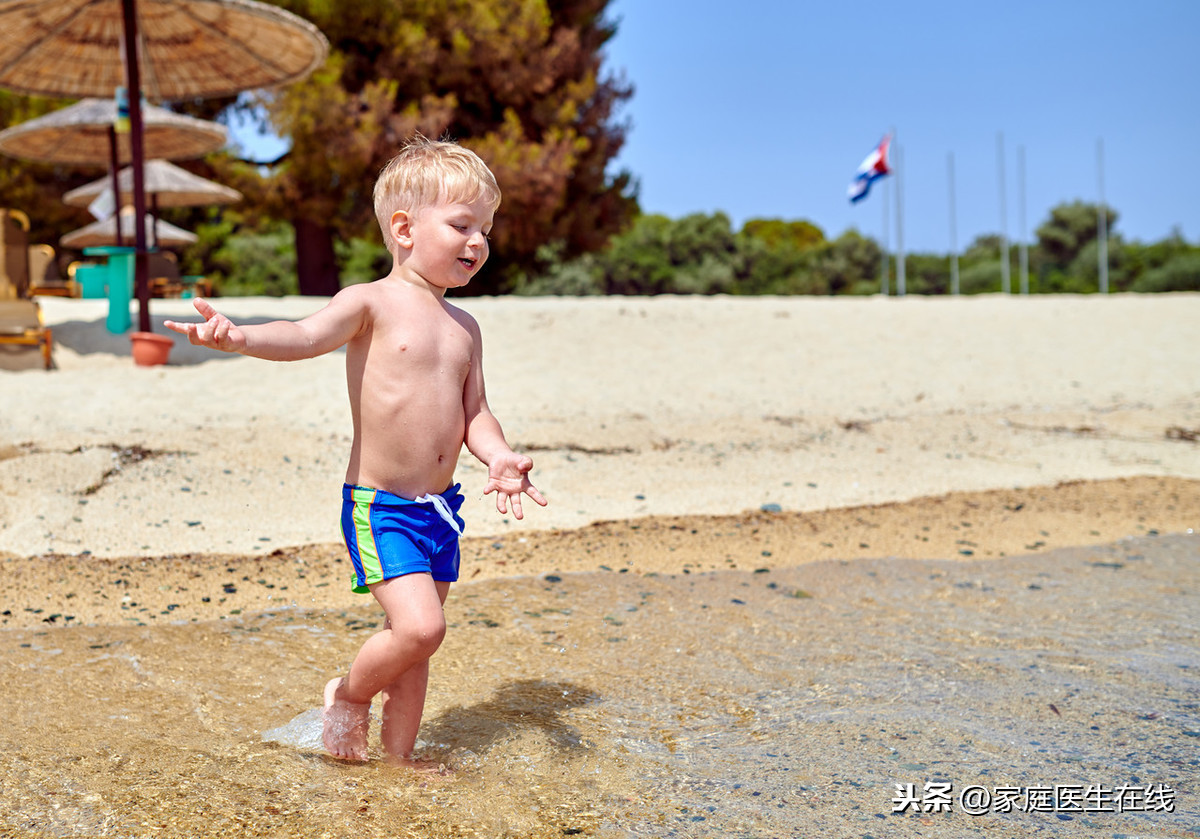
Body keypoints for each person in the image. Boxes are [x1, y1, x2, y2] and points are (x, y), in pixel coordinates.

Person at [164, 137, 547, 766]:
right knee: (423, 627)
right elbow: (304, 335)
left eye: (485, 229)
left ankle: (398, 764)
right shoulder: (370, 301)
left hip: (440, 510)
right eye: (461, 225)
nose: (477, 242)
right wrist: (239, 337)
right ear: (403, 228)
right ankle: (347, 693)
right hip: (381, 506)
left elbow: (475, 412)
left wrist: (498, 455)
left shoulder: (466, 328)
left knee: (417, 645)